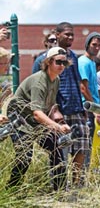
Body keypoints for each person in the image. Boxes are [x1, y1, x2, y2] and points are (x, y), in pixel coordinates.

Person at [6, 47, 71, 190]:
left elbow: (49, 108)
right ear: (49, 62)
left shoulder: (56, 80)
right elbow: (37, 113)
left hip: (35, 121)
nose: (62, 66)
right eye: (59, 62)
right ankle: (12, 190)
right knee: (25, 156)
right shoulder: (39, 81)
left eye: (64, 63)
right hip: (20, 120)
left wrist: (59, 120)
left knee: (55, 145)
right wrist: (57, 127)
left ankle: (60, 190)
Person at [33, 22, 88, 187]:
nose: (70, 37)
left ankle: (76, 184)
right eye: (66, 34)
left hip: (76, 109)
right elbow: (41, 87)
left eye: (72, 35)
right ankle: (60, 185)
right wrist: (52, 110)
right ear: (57, 35)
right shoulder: (45, 59)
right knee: (60, 150)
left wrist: (82, 105)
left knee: (81, 147)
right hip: (58, 112)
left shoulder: (74, 58)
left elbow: (77, 82)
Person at [78, 32, 100, 165]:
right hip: (86, 108)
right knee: (85, 143)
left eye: (99, 45)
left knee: (92, 142)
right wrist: (94, 109)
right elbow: (83, 88)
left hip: (94, 106)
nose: (97, 48)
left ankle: (87, 174)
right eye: (94, 44)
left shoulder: (92, 62)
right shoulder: (83, 62)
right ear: (87, 44)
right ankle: (83, 177)